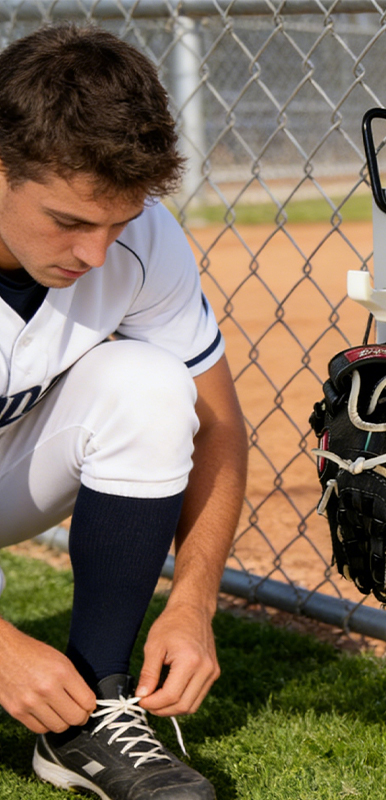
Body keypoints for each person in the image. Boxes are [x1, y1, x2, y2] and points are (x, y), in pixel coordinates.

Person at [0, 22, 248, 800]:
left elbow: (222, 429)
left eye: (119, 220)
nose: (98, 254)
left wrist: (195, 599)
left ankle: (90, 709)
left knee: (147, 384)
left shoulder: (140, 239)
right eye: (70, 221)